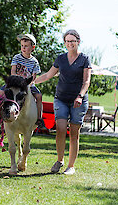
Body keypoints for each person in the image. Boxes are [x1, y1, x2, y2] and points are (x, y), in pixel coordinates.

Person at [34, 29, 91, 175]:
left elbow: (86, 81)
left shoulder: (84, 59)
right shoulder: (60, 58)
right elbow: (48, 75)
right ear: (65, 43)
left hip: (78, 100)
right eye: (67, 41)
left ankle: (71, 166)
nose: (70, 43)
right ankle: (60, 160)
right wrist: (30, 82)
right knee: (60, 129)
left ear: (78, 42)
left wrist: (80, 96)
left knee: (74, 133)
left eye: (73, 41)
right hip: (61, 99)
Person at [0, 33, 47, 131]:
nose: (23, 48)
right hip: (15, 82)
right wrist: (14, 80)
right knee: (0, 93)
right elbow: (13, 71)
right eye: (22, 46)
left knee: (39, 96)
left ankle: (39, 118)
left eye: (26, 46)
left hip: (27, 84)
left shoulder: (34, 61)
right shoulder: (17, 57)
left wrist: (29, 83)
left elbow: (34, 76)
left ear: (33, 47)